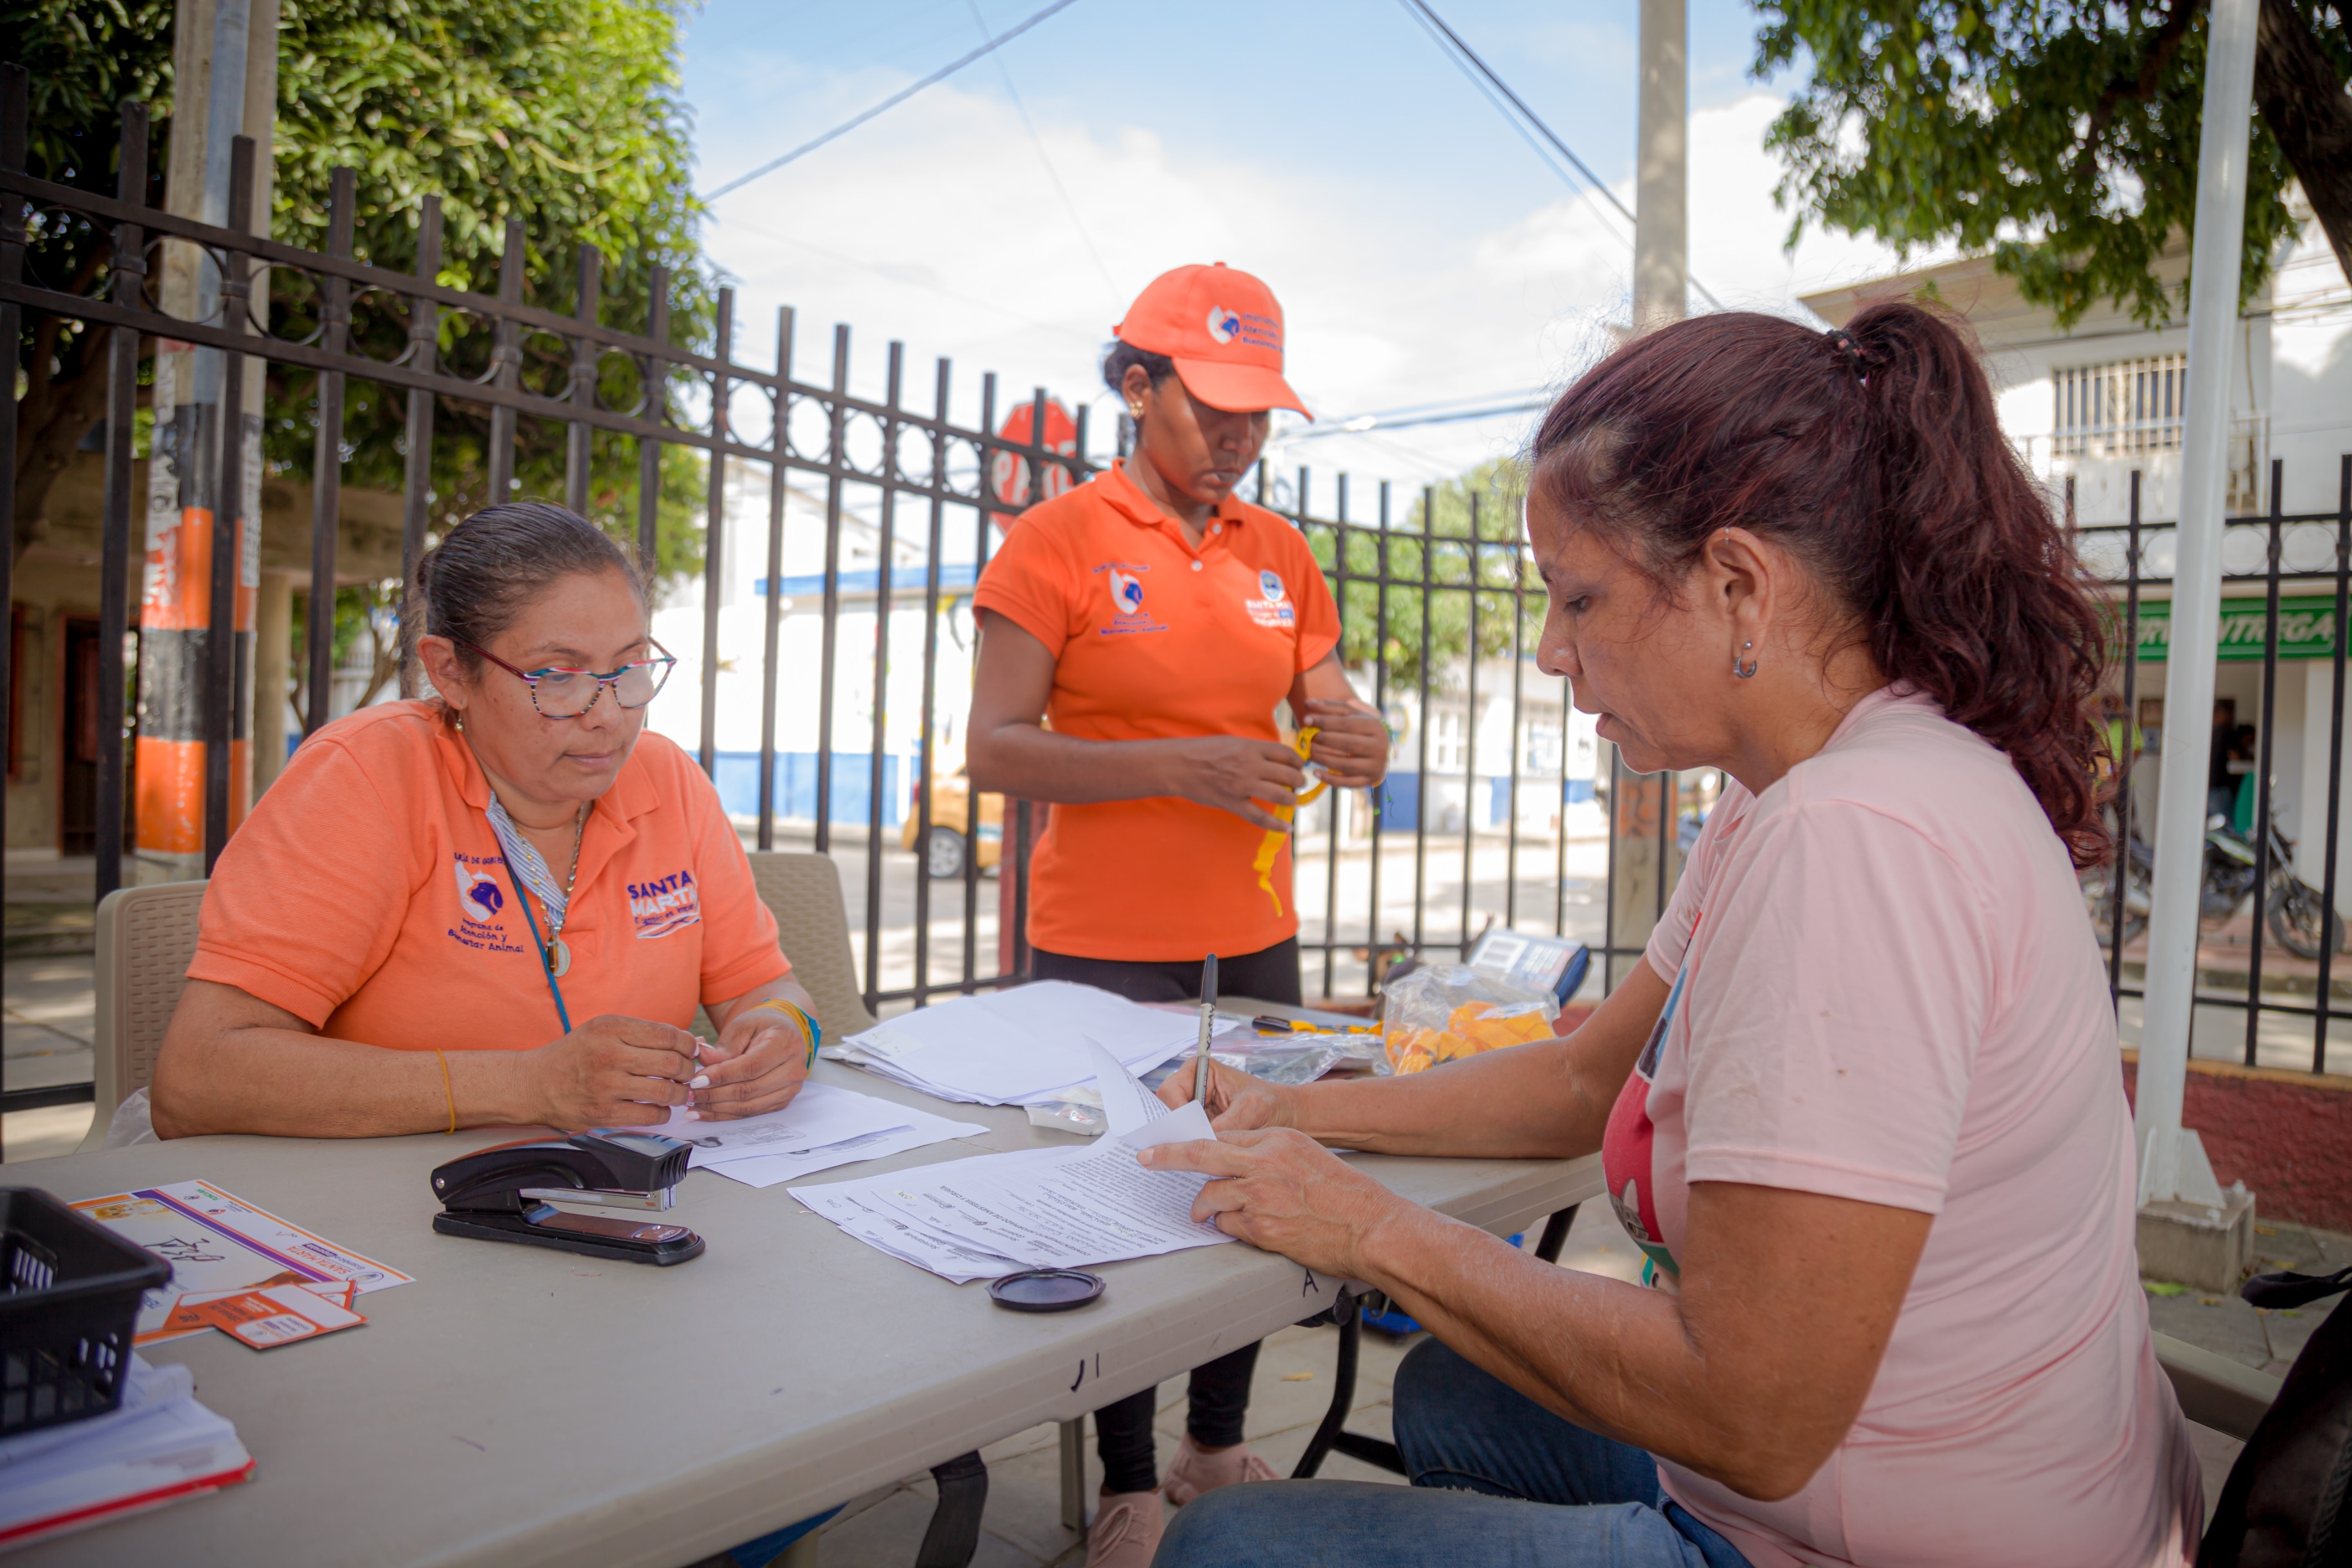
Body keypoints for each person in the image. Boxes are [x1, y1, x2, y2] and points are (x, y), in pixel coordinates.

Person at [1141, 302, 2204, 1567]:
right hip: (1948, 1483)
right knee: (1451, 1393)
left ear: (1740, 586)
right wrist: (1300, 1113)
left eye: (1580, 598)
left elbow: (1753, 1414)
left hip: (1894, 1537)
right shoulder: (1797, 786)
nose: (1553, 653)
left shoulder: (1852, 838)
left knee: (1227, 1547)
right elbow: (1585, 1079)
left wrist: (1370, 1228)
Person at [963, 261, 1390, 1566]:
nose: (1240, 437)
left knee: (1247, 1181)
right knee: (1122, 1202)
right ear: (1138, 387)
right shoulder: (1055, 541)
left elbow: (1330, 699)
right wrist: (1179, 765)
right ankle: (1129, 1475)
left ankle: (1214, 1442)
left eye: (1259, 413)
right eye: (1215, 408)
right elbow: (993, 749)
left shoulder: (1281, 554)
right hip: (1098, 946)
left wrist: (1362, 735)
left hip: (1251, 936)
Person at [153, 501, 819, 1142]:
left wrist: (786, 1029)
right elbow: (198, 1077)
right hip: (384, 1189)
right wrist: (526, 1085)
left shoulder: (667, 779)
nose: (609, 714)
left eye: (629, 667)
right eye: (556, 676)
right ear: (450, 671)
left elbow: (762, 985)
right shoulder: (366, 776)